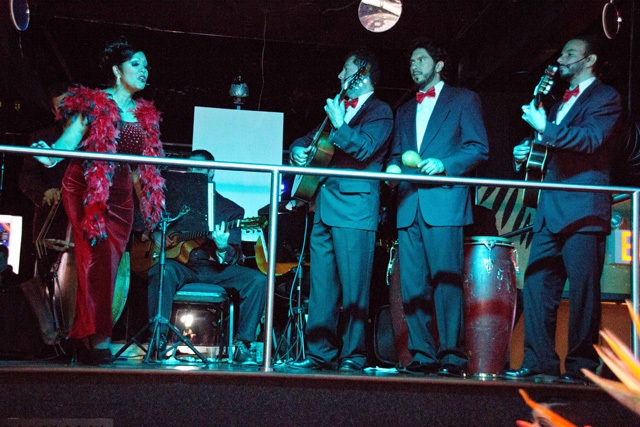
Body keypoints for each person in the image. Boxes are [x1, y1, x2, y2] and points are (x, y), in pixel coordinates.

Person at [31, 38, 166, 364]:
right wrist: (49, 156)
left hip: (120, 196)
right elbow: (67, 143)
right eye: (136, 64)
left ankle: (84, 336)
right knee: (95, 261)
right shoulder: (94, 103)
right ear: (117, 70)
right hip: (86, 188)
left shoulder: (145, 114)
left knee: (110, 265)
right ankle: (98, 340)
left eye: (147, 66)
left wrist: (150, 206)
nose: (144, 71)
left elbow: (143, 169)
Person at [505, 35, 622, 383]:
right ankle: (538, 361)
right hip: (550, 210)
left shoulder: (606, 97)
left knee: (583, 293)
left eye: (570, 53)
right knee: (538, 287)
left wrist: (545, 128)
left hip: (584, 210)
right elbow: (547, 149)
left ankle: (580, 367)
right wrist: (526, 151)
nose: (562, 59)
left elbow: (590, 139)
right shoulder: (557, 105)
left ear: (590, 60)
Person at [385, 37, 489, 375]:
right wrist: (392, 170)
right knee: (412, 284)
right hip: (409, 203)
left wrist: (445, 164)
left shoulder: (463, 99)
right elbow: (397, 154)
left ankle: (452, 355)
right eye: (411, 61)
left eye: (421, 59)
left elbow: (478, 147)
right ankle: (422, 354)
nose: (414, 66)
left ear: (439, 65)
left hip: (444, 201)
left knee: (446, 281)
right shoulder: (404, 110)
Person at [288, 48, 393, 372]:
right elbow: (307, 139)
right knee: (322, 287)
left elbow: (364, 148)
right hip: (324, 206)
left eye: (345, 69)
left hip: (355, 208)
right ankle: (319, 353)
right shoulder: (340, 106)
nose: (339, 75)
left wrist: (339, 123)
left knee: (354, 288)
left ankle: (353, 355)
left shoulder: (380, 111)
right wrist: (297, 151)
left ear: (362, 73)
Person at [146, 149, 266, 366]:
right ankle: (158, 340)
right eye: (190, 168)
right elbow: (151, 225)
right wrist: (155, 235)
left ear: (211, 172)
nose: (193, 171)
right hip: (182, 265)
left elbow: (234, 253)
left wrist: (222, 247)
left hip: (215, 269)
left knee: (258, 280)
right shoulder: (174, 204)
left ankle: (243, 344)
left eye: (199, 168)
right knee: (161, 271)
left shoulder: (231, 210)